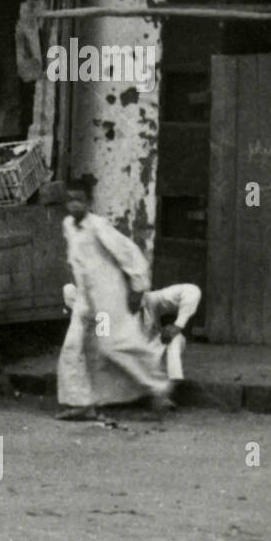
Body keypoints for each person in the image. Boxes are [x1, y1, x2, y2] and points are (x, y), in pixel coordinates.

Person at [55, 177, 173, 421]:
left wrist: (138, 288)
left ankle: (159, 386)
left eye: (80, 200)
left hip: (106, 299)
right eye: (70, 200)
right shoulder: (68, 225)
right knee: (72, 347)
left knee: (111, 345)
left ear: (89, 202)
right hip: (85, 299)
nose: (74, 205)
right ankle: (81, 402)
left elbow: (129, 253)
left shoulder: (99, 226)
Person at [62, 281, 202, 389]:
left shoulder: (150, 301)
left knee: (176, 339)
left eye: (136, 293)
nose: (132, 296)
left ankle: (171, 387)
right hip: (119, 361)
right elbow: (69, 291)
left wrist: (178, 325)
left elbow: (191, 290)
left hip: (146, 356)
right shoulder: (104, 312)